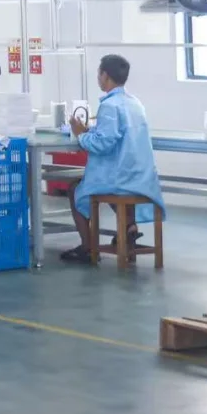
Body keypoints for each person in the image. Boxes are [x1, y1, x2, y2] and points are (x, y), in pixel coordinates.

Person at [63, 54, 165, 264]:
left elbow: (102, 144)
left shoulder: (110, 106)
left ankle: (88, 247)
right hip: (141, 177)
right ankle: (129, 228)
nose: (98, 78)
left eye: (99, 74)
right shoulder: (135, 103)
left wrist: (81, 133)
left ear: (105, 76)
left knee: (76, 188)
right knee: (108, 187)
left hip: (121, 178)